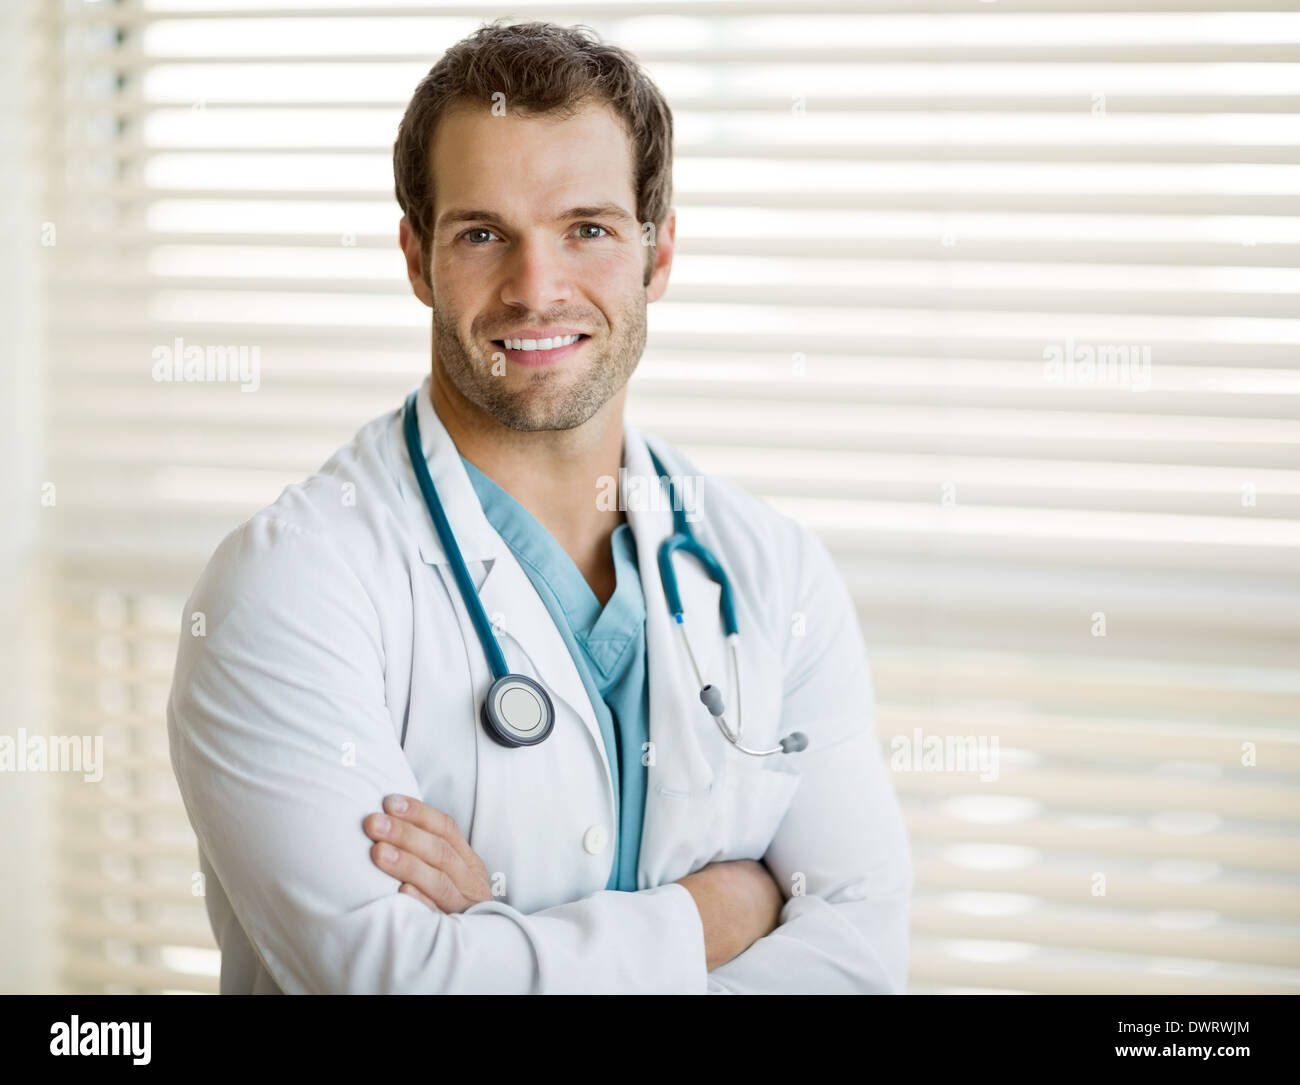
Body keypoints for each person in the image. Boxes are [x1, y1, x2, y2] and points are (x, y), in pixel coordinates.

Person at [166, 19, 912, 994]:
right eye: (482, 234)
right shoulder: (289, 585)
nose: (536, 287)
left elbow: (857, 963)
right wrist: (715, 912)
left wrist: (497, 937)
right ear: (416, 258)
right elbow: (396, 981)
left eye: (587, 230)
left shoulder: (771, 571)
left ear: (660, 253)